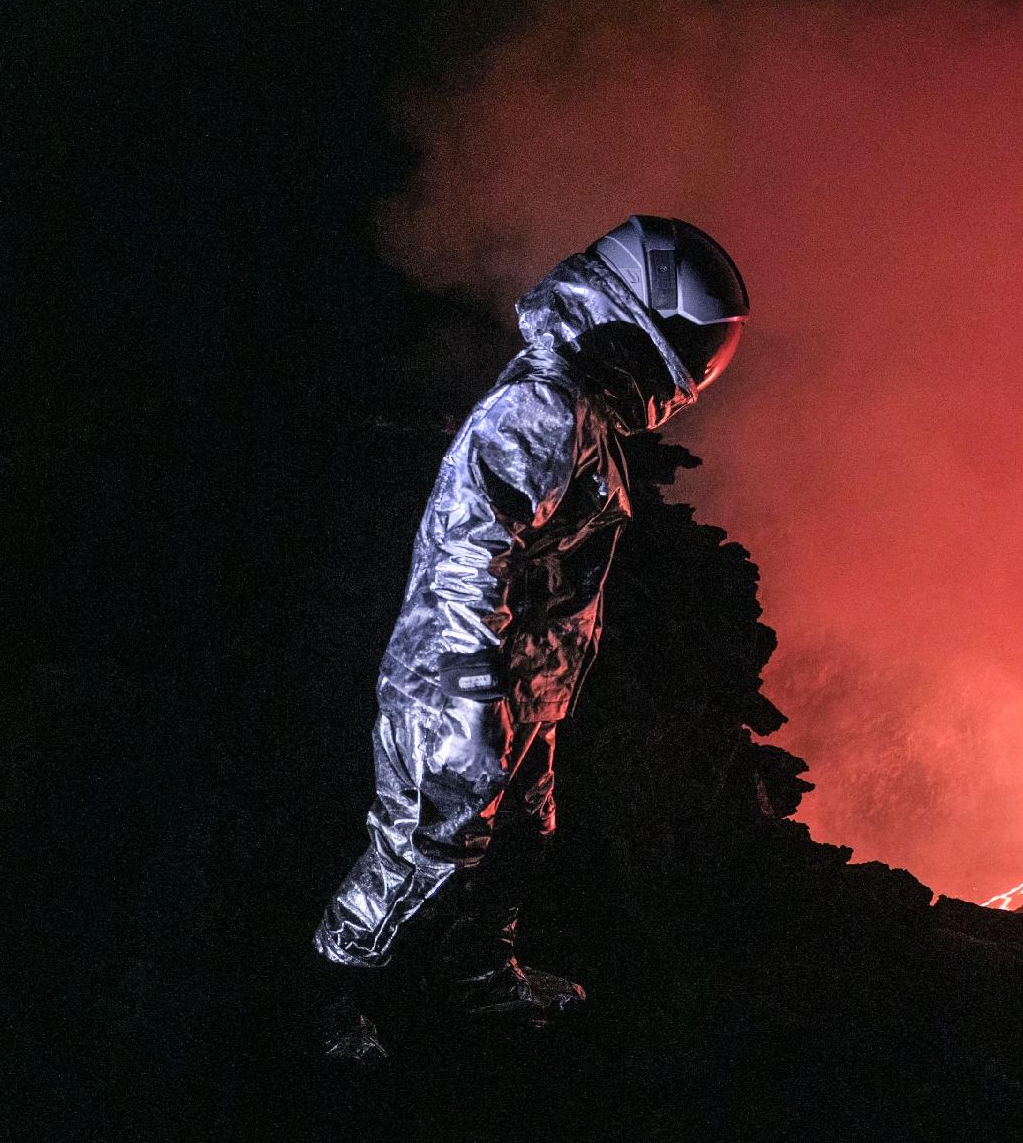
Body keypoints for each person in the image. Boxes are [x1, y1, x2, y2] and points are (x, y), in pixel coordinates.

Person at [313, 215, 748, 1060]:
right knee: (417, 850)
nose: (695, 376)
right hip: (458, 683)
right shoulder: (541, 407)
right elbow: (464, 558)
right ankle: (332, 1001)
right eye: (696, 349)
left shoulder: (581, 413)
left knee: (519, 835)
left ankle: (479, 978)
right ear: (641, 320)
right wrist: (470, 700)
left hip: (519, 687)